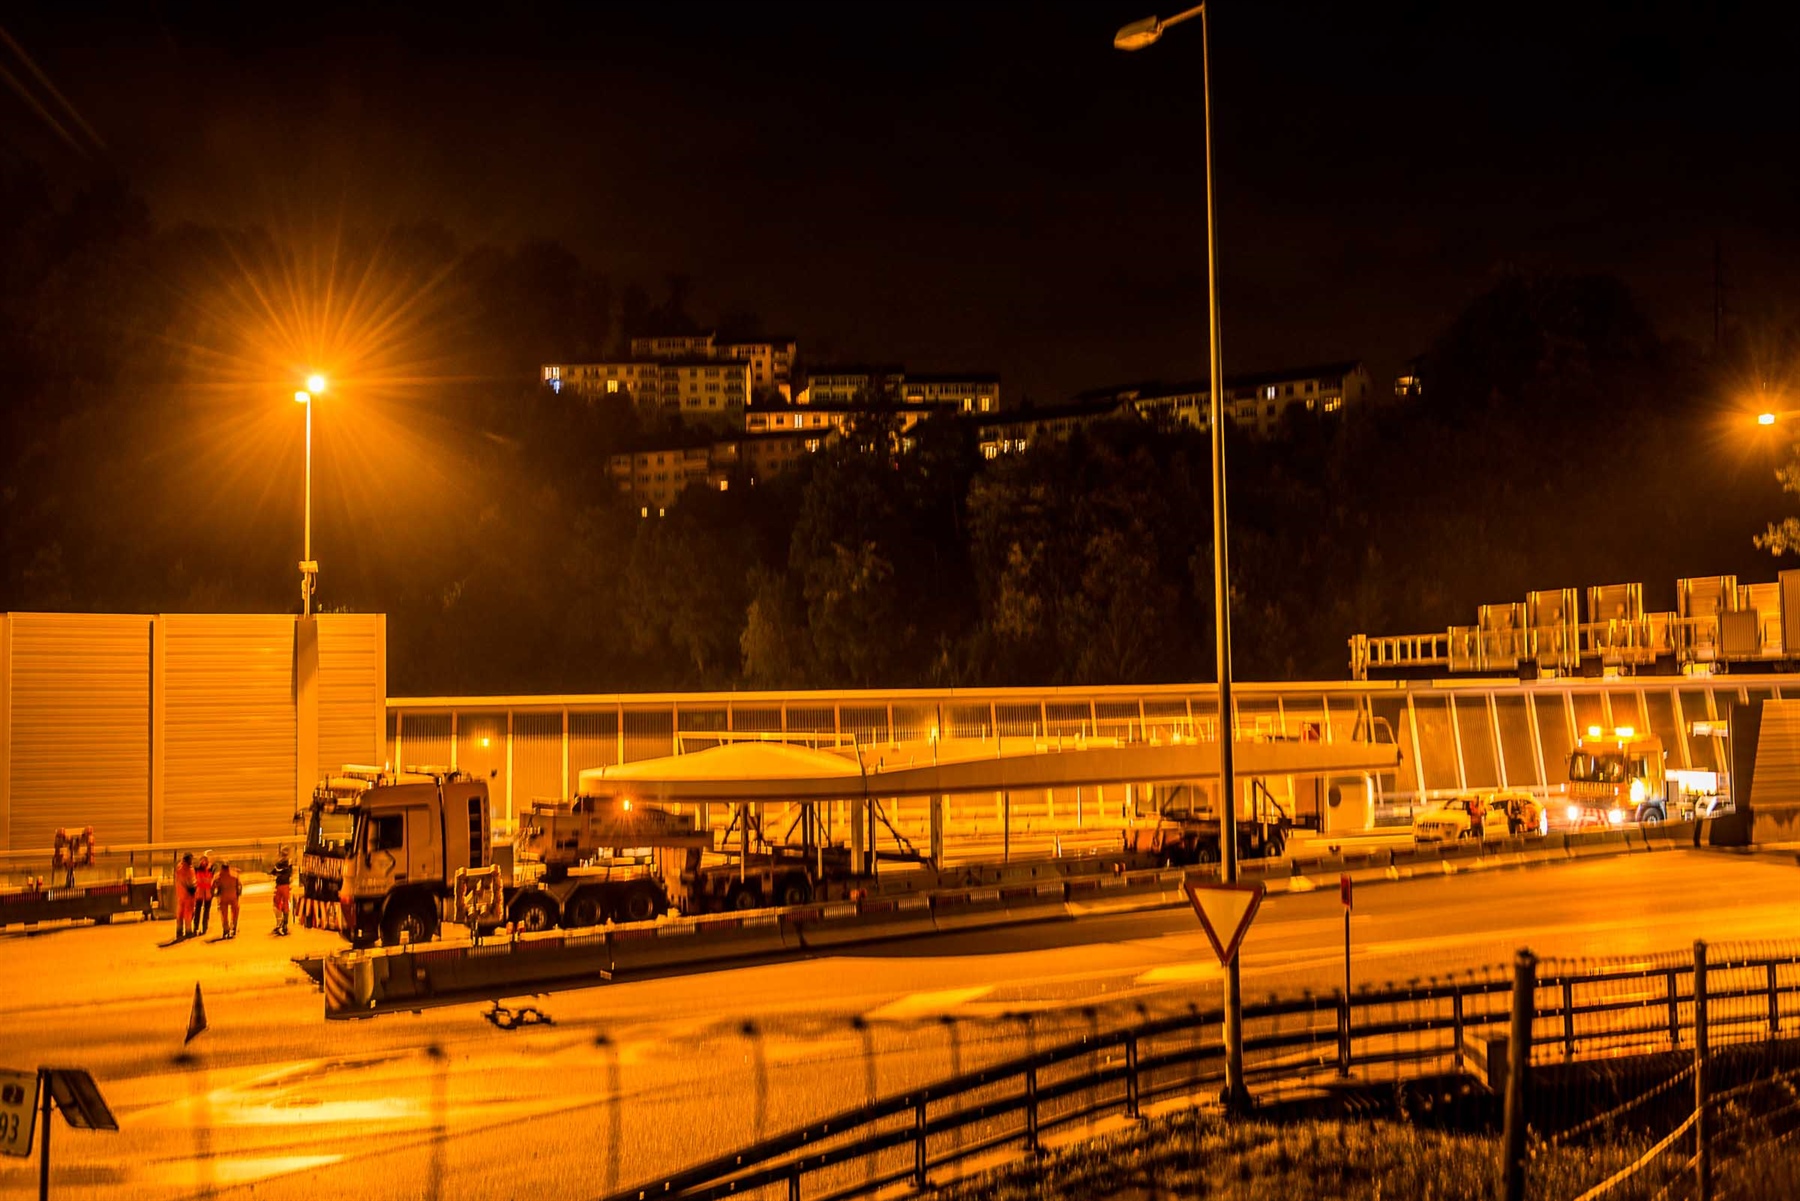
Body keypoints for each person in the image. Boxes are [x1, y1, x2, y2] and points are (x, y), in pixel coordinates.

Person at [214, 861, 242, 938]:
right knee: (235, 913)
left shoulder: (218, 876)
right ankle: (233, 928)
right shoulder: (235, 875)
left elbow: (213, 887)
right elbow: (239, 886)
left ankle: (226, 929)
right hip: (233, 896)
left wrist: (215, 894)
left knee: (224, 915)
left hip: (223, 897)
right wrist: (238, 894)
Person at [270, 847, 293, 936]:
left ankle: (281, 924)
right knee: (284, 905)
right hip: (285, 886)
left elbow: (273, 872)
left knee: (277, 905)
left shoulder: (279, 864)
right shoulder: (288, 864)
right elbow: (289, 873)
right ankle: (283, 925)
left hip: (280, 886)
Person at [173, 852, 197, 939]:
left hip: (180, 894)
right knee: (188, 914)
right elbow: (192, 884)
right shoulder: (189, 870)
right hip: (188, 896)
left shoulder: (179, 867)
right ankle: (188, 931)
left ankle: (179, 931)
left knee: (179, 914)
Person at [194, 853, 215, 936]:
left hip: (204, 893)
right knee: (201, 911)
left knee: (201, 911)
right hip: (204, 893)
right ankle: (201, 927)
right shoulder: (209, 870)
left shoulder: (199, 870)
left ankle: (200, 927)